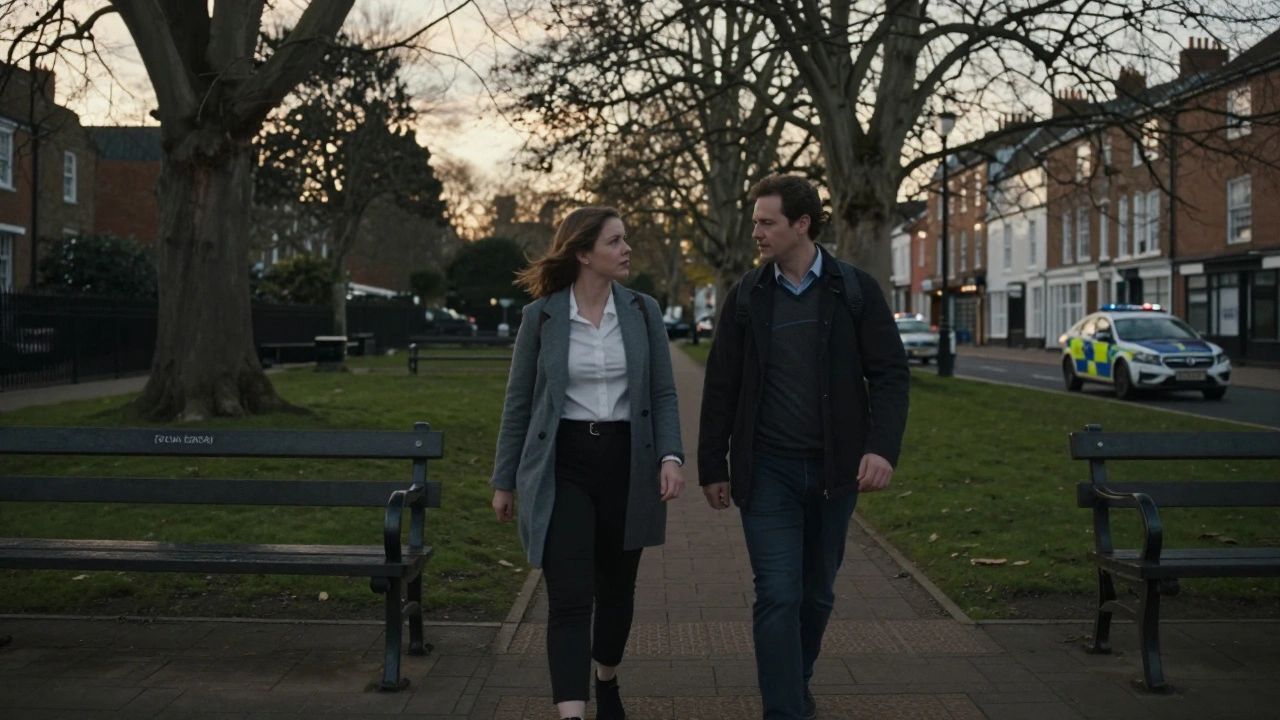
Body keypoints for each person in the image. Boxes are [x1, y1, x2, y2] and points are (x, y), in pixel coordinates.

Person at [697, 175, 910, 720]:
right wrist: (711, 467)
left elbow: (889, 374)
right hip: (766, 470)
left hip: (836, 472)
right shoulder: (746, 296)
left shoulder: (855, 290)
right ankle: (786, 710)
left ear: (801, 225)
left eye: (767, 222)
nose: (757, 232)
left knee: (816, 595)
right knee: (777, 594)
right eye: (754, 223)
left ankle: (795, 679)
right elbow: (720, 386)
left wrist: (881, 449)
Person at [491, 206, 685, 720]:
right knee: (571, 599)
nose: (626, 250)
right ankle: (572, 713)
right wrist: (504, 480)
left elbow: (664, 393)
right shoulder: (542, 317)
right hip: (563, 467)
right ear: (583, 253)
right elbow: (519, 404)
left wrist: (670, 456)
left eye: (625, 240)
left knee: (617, 593)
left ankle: (607, 677)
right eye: (615, 241)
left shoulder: (643, 311)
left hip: (629, 464)